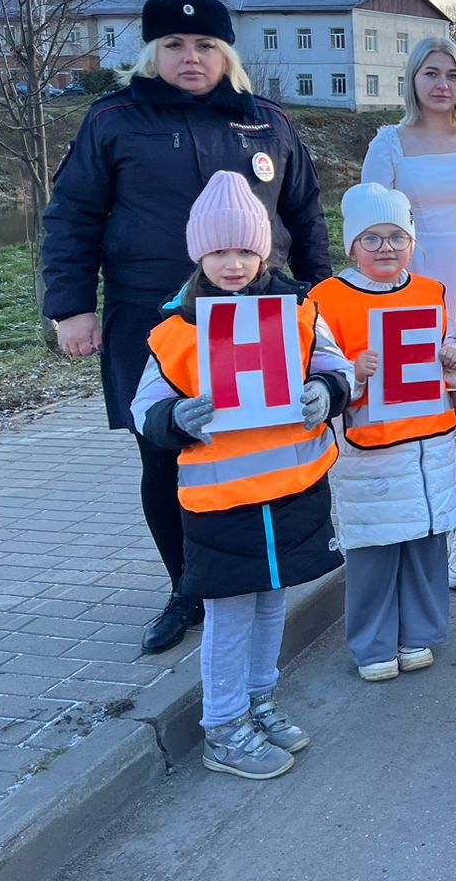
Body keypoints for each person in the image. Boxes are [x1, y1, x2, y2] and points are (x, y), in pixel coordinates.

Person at [42, 0, 330, 655]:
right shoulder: (114, 120)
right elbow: (72, 216)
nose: (190, 57)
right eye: (174, 45)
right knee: (166, 451)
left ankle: (262, 570)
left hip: (265, 317)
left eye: (205, 45)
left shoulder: (266, 123)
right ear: (152, 52)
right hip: (153, 320)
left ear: (226, 52)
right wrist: (71, 307)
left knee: (263, 445)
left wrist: (320, 298)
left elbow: (305, 214)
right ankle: (188, 587)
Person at [129, 171, 349, 778]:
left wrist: (326, 392)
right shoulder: (177, 331)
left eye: (247, 250)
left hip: (293, 491)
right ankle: (223, 726)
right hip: (222, 499)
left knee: (272, 602)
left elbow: (338, 368)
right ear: (200, 253)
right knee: (229, 613)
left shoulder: (301, 311)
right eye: (220, 250)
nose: (234, 263)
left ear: (265, 250)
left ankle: (259, 700)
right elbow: (143, 406)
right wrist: (175, 416)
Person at [361, 38, 456, 592]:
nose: (442, 84)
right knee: (420, 417)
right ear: (412, 79)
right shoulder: (389, 142)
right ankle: (414, 527)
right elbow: (370, 227)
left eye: (452, 74)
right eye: (431, 73)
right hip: (412, 294)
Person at [309, 185, 456, 682]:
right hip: (370, 451)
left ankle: (420, 634)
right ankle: (373, 644)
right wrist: (353, 373)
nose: (386, 248)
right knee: (374, 552)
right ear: (351, 244)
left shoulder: (431, 291)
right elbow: (316, 374)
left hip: (430, 447)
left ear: (412, 241)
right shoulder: (325, 300)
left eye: (397, 237)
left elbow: (452, 357)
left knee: (426, 545)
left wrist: (454, 359)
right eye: (372, 238)